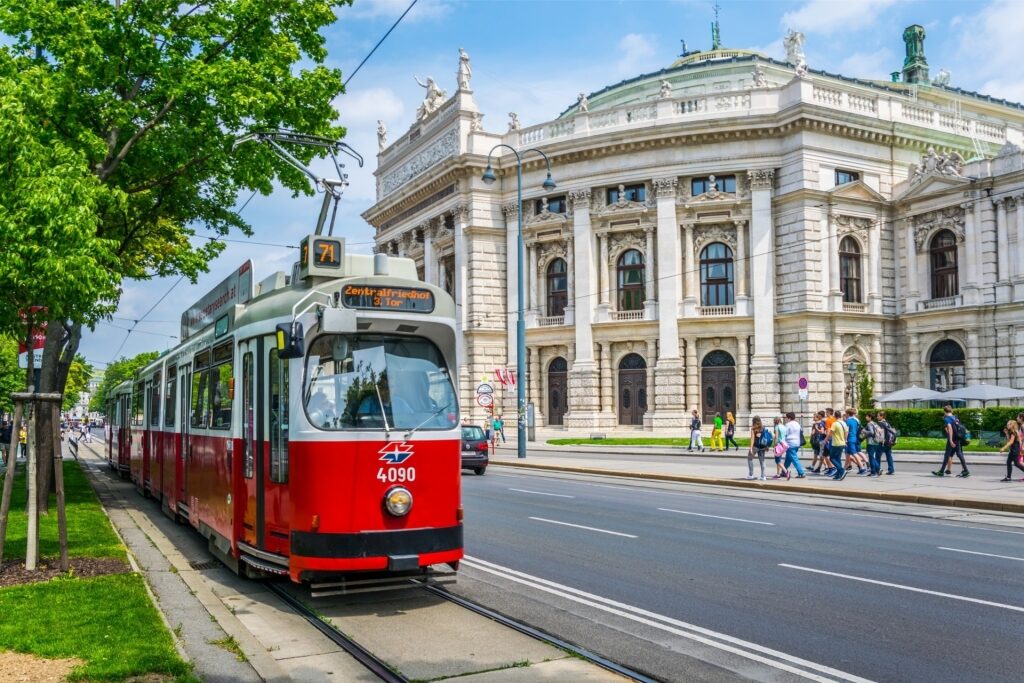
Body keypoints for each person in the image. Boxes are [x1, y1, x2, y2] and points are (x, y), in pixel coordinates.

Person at [933, 405, 969, 478]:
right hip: (958, 438)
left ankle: (941, 472)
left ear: (945, 411)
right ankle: (965, 470)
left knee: (947, 455)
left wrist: (950, 440)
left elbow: (950, 429)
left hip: (952, 439)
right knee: (959, 454)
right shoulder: (955, 418)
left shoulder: (947, 418)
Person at [783, 412, 806, 478]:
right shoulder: (797, 424)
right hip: (797, 443)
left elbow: (785, 433)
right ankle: (783, 471)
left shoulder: (788, 425)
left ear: (789, 418)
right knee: (788, 458)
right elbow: (801, 431)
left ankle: (801, 473)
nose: (786, 419)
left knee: (794, 459)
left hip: (790, 443)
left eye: (786, 418)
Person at [844, 408, 867, 475]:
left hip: (850, 439)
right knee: (848, 455)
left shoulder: (848, 421)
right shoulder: (856, 421)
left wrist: (845, 439)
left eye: (846, 414)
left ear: (848, 414)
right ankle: (844, 469)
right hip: (855, 438)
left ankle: (862, 468)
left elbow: (847, 431)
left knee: (854, 453)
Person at [747, 416, 768, 480]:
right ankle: (763, 476)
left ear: (754, 421)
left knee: (749, 459)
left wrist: (750, 448)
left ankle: (751, 474)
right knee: (762, 461)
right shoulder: (763, 428)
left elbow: (752, 439)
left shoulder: (753, 428)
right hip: (762, 446)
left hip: (755, 446)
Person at [828, 414, 848, 480]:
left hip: (836, 443)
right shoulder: (844, 423)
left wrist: (825, 440)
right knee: (838, 459)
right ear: (840, 416)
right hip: (843, 443)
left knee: (832, 458)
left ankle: (842, 470)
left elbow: (830, 434)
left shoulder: (835, 423)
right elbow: (846, 432)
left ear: (834, 417)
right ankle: (838, 475)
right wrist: (845, 440)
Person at [876, 410, 896, 475]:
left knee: (877, 456)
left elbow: (880, 433)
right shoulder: (887, 423)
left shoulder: (880, 423)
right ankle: (891, 469)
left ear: (882, 416)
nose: (877, 417)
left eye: (878, 416)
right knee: (889, 456)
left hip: (883, 442)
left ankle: (877, 469)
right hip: (889, 442)